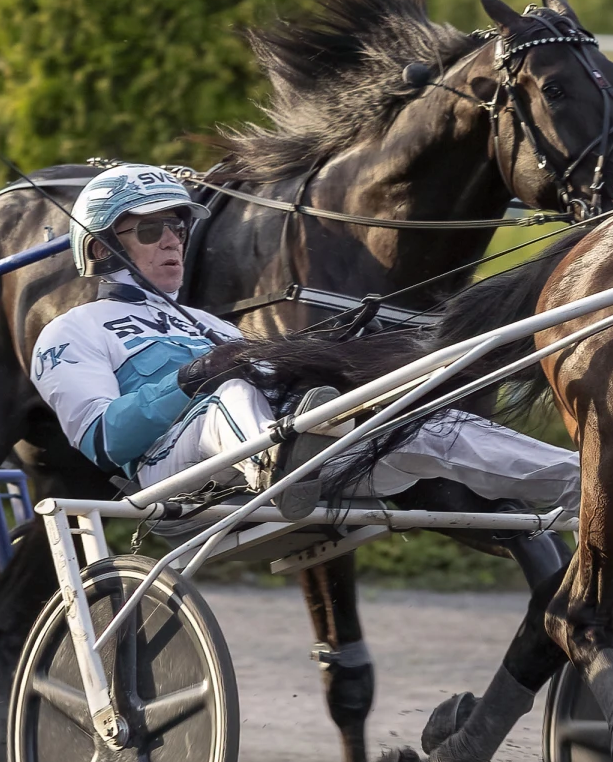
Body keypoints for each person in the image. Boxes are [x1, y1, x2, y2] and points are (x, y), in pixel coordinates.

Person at [29, 164, 578, 515]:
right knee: (231, 393)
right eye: (151, 230)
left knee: (429, 421)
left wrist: (340, 358)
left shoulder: (214, 326)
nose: (172, 241)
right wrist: (190, 377)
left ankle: (586, 483)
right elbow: (103, 439)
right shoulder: (72, 330)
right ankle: (276, 459)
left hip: (296, 446)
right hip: (176, 471)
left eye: (178, 228)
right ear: (101, 247)